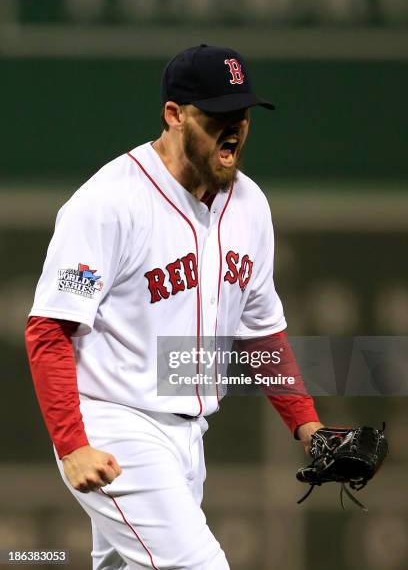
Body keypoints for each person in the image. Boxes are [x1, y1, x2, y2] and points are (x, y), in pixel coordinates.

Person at [25, 44, 323, 570]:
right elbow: (49, 330)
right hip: (115, 428)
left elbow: (262, 335)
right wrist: (72, 444)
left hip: (190, 437)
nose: (233, 130)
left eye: (242, 117)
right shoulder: (109, 202)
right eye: (217, 118)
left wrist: (308, 427)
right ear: (175, 115)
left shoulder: (250, 205)